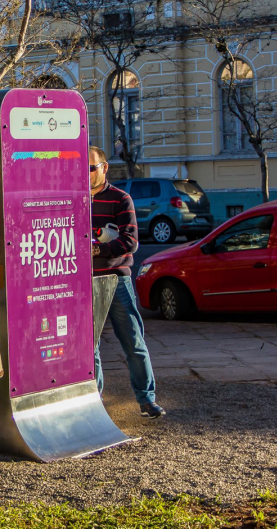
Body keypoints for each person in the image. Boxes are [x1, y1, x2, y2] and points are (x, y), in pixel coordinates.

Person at [89, 145, 165, 418]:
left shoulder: (120, 198)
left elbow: (130, 242)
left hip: (116, 278)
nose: (86, 175)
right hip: (85, 282)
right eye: (81, 170)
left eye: (91, 168)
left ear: (104, 167)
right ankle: (94, 404)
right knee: (89, 346)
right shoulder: (73, 199)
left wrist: (97, 249)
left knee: (133, 340)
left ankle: (146, 399)